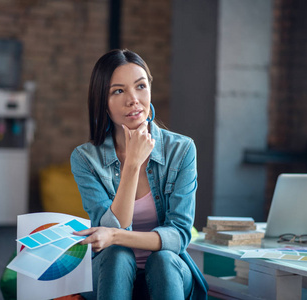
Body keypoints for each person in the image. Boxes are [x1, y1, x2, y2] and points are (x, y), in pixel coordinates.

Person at [71, 49, 208, 300]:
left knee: (164, 259)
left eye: (141, 86)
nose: (133, 99)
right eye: (118, 91)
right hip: (110, 272)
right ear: (103, 101)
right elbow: (115, 228)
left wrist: (114, 235)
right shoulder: (85, 158)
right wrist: (133, 164)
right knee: (116, 255)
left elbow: (179, 236)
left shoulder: (182, 149)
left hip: (168, 271)